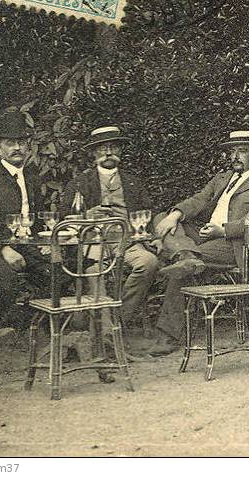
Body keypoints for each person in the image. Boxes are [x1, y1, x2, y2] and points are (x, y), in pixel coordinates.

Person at [148, 130, 249, 356]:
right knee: (163, 218)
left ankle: (168, 336)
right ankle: (187, 256)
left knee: (182, 272)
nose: (235, 156)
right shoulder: (222, 178)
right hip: (207, 234)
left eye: (242, 151)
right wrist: (176, 215)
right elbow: (198, 200)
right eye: (232, 151)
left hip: (235, 243)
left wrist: (224, 230)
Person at [60, 126, 159, 342]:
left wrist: (150, 234)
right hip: (93, 240)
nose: (108, 153)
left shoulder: (132, 181)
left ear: (121, 152)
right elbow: (64, 217)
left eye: (113, 147)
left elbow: (149, 212)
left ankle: (118, 319)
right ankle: (108, 336)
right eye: (102, 149)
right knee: (95, 271)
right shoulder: (80, 182)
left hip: (127, 239)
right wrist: (87, 215)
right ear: (94, 154)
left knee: (148, 262)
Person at [0, 111, 50, 329]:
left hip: (28, 245)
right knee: (5, 279)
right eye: (10, 143)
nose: (17, 148)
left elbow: (38, 218)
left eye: (21, 142)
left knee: (59, 270)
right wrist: (3, 249)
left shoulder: (32, 176)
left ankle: (32, 325)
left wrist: (46, 242)